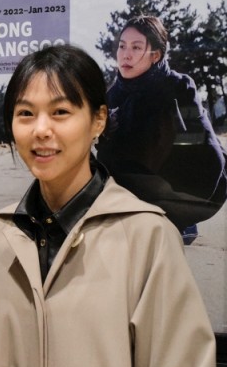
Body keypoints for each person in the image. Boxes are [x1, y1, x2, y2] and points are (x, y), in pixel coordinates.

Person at [0, 44, 219, 367]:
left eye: (61, 112)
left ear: (98, 120)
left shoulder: (148, 237)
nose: (41, 130)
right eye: (25, 114)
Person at [96, 14, 227, 242]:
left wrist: (181, 211)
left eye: (137, 47)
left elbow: (206, 156)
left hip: (194, 183)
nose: (126, 54)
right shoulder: (112, 96)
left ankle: (176, 219)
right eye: (122, 46)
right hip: (137, 187)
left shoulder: (178, 87)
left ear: (155, 55)